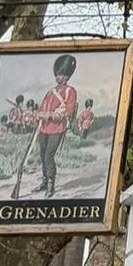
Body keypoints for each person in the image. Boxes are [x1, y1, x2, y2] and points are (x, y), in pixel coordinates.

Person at [35, 55, 79, 195]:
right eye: (57, 74)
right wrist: (38, 115)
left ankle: (50, 184)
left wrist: (51, 116)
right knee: (42, 155)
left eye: (61, 74)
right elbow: (42, 107)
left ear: (66, 76)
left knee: (49, 156)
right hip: (44, 128)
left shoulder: (70, 91)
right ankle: (44, 181)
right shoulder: (50, 91)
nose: (58, 77)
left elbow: (68, 110)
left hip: (56, 128)